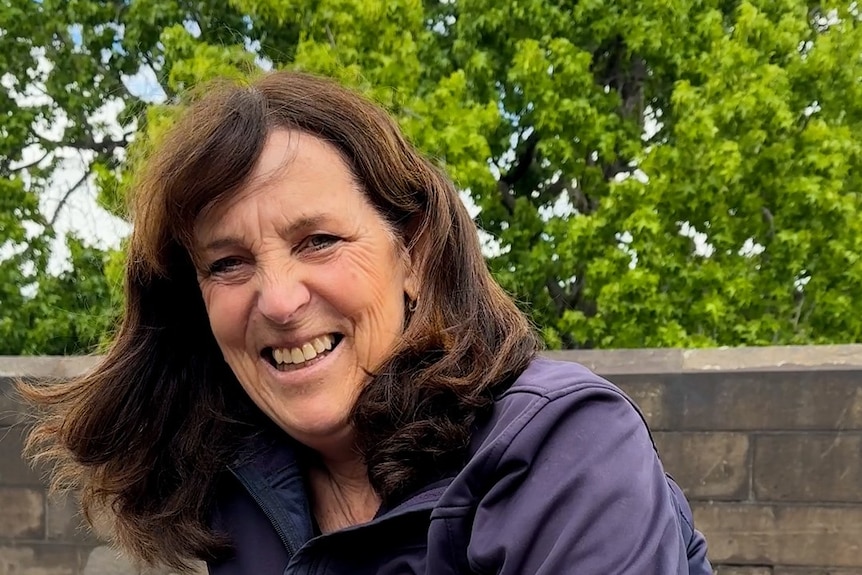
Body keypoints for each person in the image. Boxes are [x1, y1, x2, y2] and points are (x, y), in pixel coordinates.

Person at [21, 71, 711, 574]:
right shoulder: (236, 491)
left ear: (413, 252)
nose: (281, 301)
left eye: (318, 240)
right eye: (228, 263)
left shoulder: (563, 448)